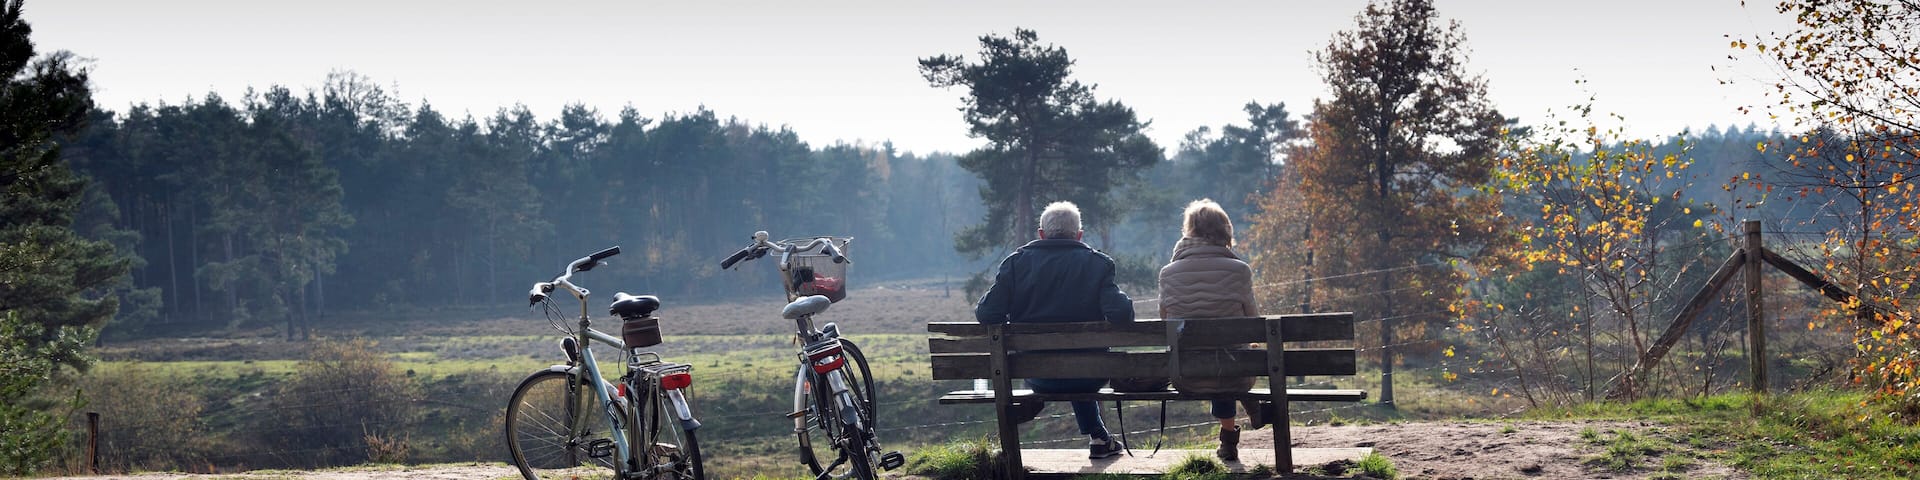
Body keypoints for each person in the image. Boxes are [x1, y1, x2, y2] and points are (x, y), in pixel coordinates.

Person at [975, 201, 1135, 459]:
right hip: (1090, 373)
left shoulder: (1016, 264)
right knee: (1075, 365)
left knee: (1062, 364)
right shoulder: (1098, 264)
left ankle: (1097, 436)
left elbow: (986, 313)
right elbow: (1121, 314)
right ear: (1079, 235)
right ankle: (1099, 438)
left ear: (1041, 234)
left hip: (1035, 372)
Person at [1157, 198, 1260, 462]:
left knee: (1212, 354)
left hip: (1185, 372)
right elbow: (1253, 324)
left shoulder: (1168, 273)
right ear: (1226, 230)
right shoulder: (1240, 269)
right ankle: (1229, 442)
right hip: (1234, 372)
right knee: (1230, 355)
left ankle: (1230, 436)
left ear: (1189, 231)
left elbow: (1164, 320)